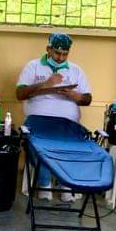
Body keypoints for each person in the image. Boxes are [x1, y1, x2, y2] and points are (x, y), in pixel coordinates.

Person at [16, 32, 92, 200]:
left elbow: (87, 99)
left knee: (75, 144)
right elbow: (20, 94)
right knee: (34, 144)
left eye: (65, 54)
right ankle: (45, 184)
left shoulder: (76, 70)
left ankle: (66, 183)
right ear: (48, 49)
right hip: (38, 122)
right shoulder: (33, 66)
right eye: (57, 53)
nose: (60, 58)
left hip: (67, 123)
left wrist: (75, 96)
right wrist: (45, 84)